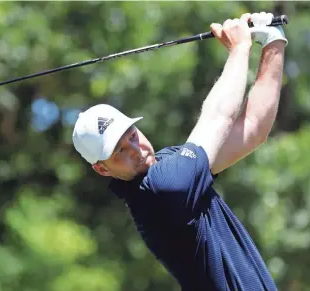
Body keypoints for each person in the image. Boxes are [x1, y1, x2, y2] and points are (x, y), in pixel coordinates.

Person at [72, 11, 288, 291]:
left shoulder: (170, 166)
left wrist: (273, 41)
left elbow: (253, 128)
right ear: (102, 169)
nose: (136, 151)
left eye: (132, 136)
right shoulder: (164, 187)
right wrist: (240, 49)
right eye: (119, 152)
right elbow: (218, 116)